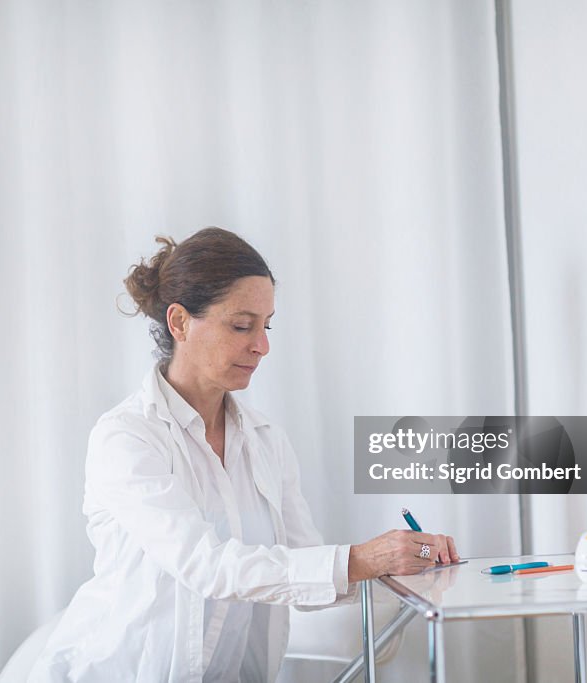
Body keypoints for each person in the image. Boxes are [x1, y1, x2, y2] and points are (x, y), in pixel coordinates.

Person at [27, 227, 459, 682]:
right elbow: (205, 566)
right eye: (241, 325)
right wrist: (365, 559)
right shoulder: (127, 438)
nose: (262, 345)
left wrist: (401, 563)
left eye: (266, 324)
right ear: (179, 323)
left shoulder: (265, 440)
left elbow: (303, 571)